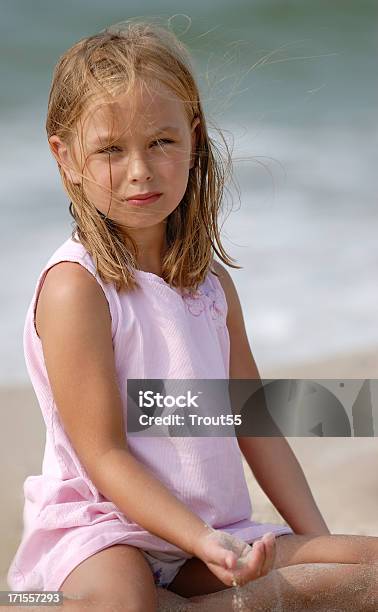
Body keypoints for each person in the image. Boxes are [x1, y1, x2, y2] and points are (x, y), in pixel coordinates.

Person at [7, 19, 377, 612]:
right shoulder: (77, 288)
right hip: (104, 531)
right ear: (66, 157)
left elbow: (254, 420)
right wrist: (199, 539)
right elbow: (104, 456)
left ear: (194, 137)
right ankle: (30, 602)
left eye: (161, 141)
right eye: (110, 149)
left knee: (367, 569)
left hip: (212, 537)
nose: (140, 170)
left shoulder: (209, 288)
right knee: (125, 602)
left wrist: (318, 539)